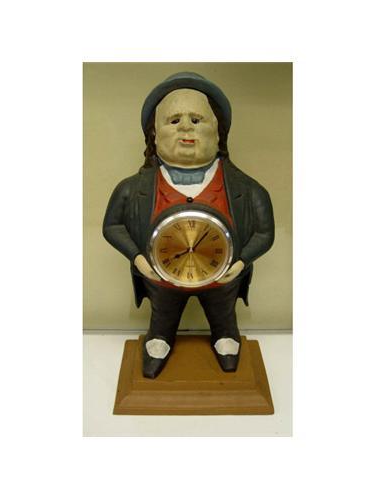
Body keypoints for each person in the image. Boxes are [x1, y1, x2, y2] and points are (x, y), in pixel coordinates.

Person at [103, 72, 275, 378]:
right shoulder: (131, 190)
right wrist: (139, 259)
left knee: (224, 316)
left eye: (196, 120)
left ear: (218, 133)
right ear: (154, 134)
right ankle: (160, 338)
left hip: (223, 281)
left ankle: (225, 335)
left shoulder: (249, 191)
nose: (185, 127)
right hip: (160, 280)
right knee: (162, 317)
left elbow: (265, 232)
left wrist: (241, 262)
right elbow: (112, 226)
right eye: (173, 120)